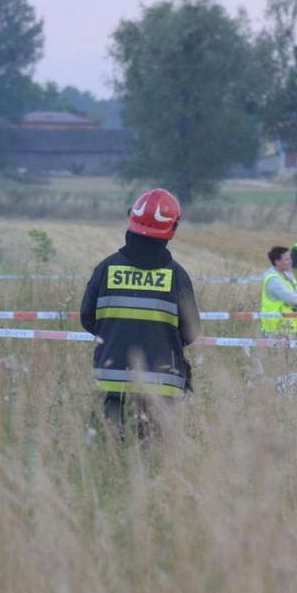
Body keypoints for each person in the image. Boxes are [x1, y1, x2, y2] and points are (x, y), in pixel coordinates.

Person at [80, 188, 200, 440]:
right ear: (172, 228)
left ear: (131, 220)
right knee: (151, 463)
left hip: (109, 387)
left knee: (107, 459)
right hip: (160, 390)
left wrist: (115, 333)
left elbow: (87, 319)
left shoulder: (106, 268)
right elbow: (191, 332)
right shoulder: (177, 276)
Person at [262, 246, 297, 338]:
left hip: (292, 325)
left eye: (290, 258)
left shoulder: (289, 276)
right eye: (287, 259)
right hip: (277, 328)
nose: (290, 261)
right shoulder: (273, 279)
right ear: (277, 261)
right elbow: (291, 299)